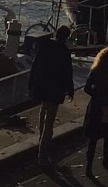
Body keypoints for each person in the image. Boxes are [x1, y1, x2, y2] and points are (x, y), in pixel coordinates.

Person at [28, 25, 75, 165]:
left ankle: (41, 137)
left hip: (42, 86)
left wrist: (31, 85)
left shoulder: (45, 46)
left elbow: (35, 67)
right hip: (55, 89)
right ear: (66, 37)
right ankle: (43, 153)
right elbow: (67, 72)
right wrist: (70, 90)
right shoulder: (64, 51)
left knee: (43, 109)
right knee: (50, 122)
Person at [83, 46, 108, 177]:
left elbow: (87, 88)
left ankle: (88, 166)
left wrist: (96, 94)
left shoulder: (95, 71)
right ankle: (106, 160)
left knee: (93, 137)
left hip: (96, 105)